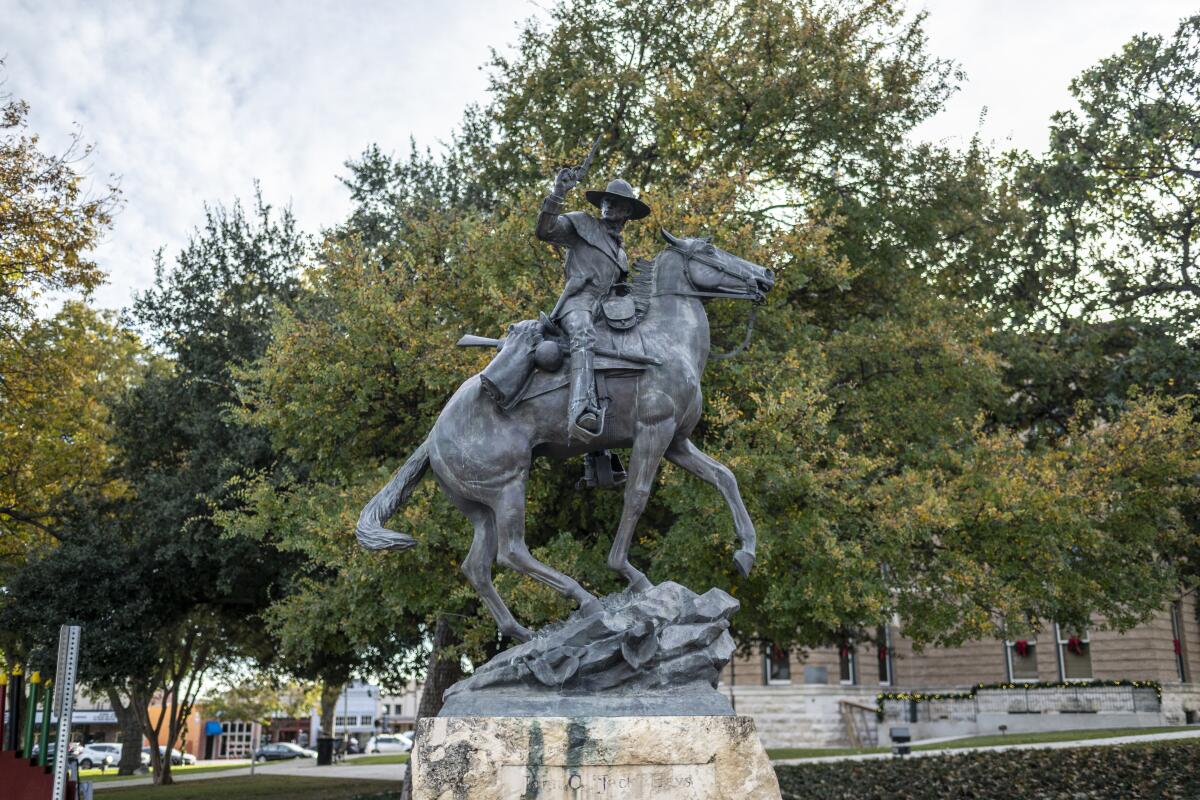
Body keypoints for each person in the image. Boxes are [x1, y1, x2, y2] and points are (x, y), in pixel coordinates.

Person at [535, 169, 651, 441]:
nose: (609, 205)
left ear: (627, 213)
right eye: (606, 201)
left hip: (604, 313)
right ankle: (580, 409)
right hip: (577, 305)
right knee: (584, 334)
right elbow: (545, 230)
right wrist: (558, 193)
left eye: (617, 203)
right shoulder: (581, 225)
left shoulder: (620, 254)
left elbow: (619, 292)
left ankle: (602, 444)